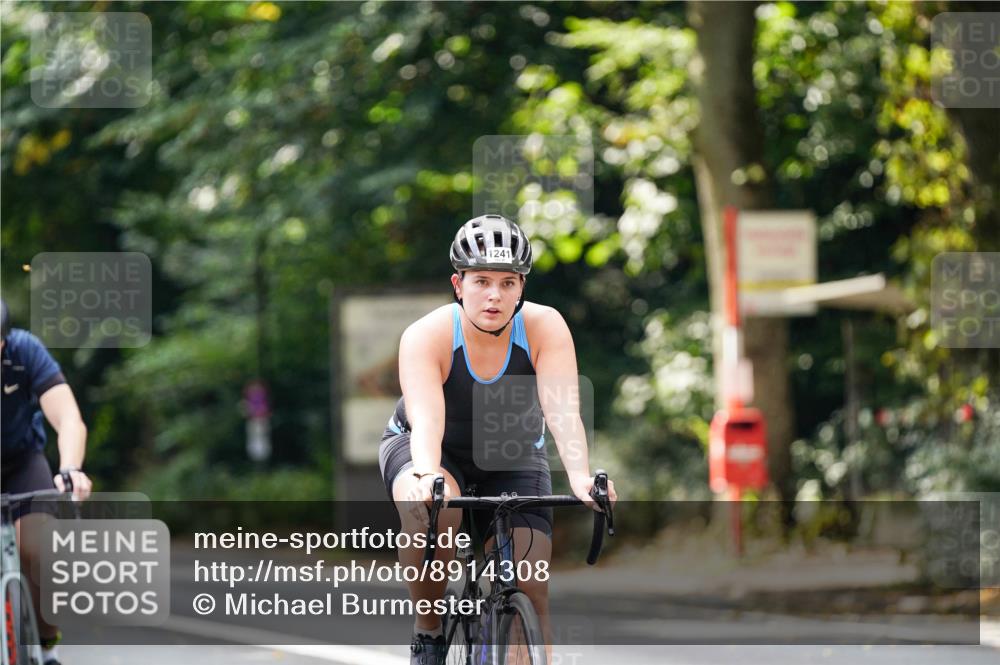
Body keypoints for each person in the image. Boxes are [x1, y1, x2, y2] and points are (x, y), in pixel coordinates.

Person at [377, 215, 617, 665]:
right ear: (458, 284)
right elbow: (428, 422)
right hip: (429, 446)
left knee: (532, 587)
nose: (494, 295)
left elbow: (563, 411)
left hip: (512, 453)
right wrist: (426, 477)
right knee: (435, 509)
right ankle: (427, 630)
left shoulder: (546, 328)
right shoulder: (426, 336)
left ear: (521, 287)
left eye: (508, 282)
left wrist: (583, 478)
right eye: (482, 280)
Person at [1, 298, 92, 665]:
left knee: (39, 550)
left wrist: (70, 469)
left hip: (22, 462)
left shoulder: (25, 351)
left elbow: (69, 417)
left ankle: (45, 638)